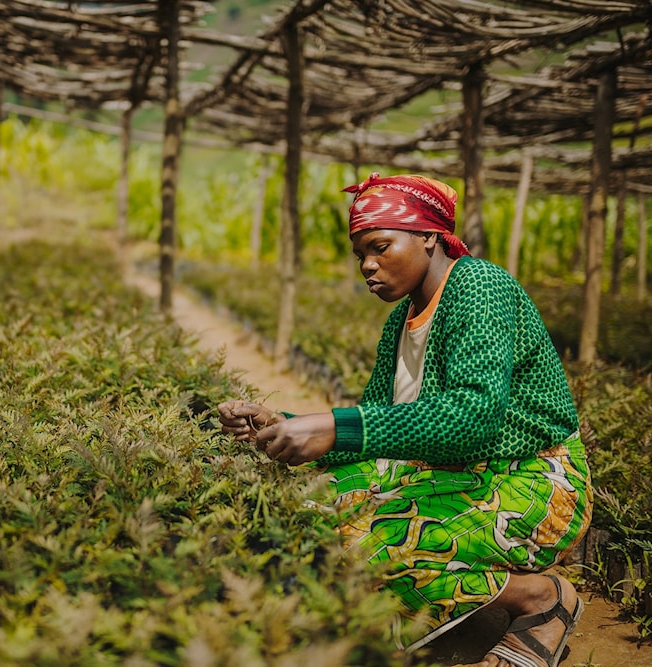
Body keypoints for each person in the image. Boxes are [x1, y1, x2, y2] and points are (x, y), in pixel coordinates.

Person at [217, 173, 591, 667]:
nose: (368, 266)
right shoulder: (401, 320)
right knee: (315, 507)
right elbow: (379, 432)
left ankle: (538, 599)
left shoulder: (481, 286)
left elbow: (474, 417)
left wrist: (334, 424)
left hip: (534, 481)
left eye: (380, 246)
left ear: (429, 236)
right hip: (458, 471)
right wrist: (280, 422)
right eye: (360, 256)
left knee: (380, 543)